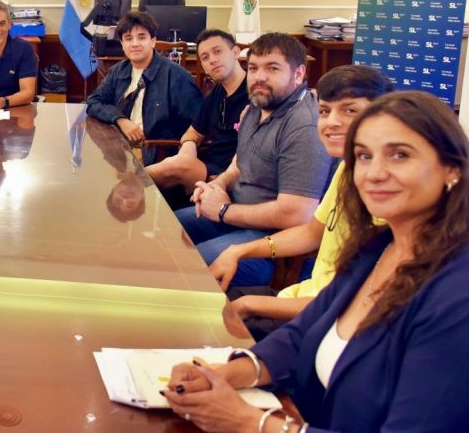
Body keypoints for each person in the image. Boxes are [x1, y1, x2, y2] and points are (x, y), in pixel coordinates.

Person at [164, 91, 469, 432]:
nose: (374, 173)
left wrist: (250, 422)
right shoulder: (376, 247)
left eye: (400, 155)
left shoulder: (457, 295)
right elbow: (301, 335)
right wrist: (224, 374)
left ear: (452, 169)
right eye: (363, 156)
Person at [209, 65, 393, 339]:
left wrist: (250, 304)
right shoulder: (347, 167)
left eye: (350, 110)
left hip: (325, 324)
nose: (332, 122)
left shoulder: (387, 196)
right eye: (325, 111)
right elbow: (311, 233)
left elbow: (355, 305)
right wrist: (238, 251)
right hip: (302, 299)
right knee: (205, 300)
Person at [175, 32, 332, 286]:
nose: (259, 77)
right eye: (253, 68)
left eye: (272, 68)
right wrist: (218, 185)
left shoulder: (304, 126)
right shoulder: (256, 106)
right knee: (166, 228)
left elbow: (296, 215)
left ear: (298, 74)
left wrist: (224, 211)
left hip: (272, 241)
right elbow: (241, 163)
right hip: (237, 213)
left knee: (188, 265)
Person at [85, 11, 202, 165]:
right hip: (119, 149)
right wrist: (120, 120)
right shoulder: (119, 71)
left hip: (158, 156)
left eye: (141, 37)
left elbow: (197, 125)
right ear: (122, 45)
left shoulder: (177, 76)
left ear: (152, 41)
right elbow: (93, 101)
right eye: (128, 38)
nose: (135, 44)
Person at [146, 28, 248, 192]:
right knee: (153, 194)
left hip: (232, 177)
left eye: (218, 51)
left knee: (173, 168)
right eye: (205, 57)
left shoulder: (256, 93)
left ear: (236, 52)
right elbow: (192, 133)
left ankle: (125, 180)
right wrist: (188, 149)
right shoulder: (217, 92)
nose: (212, 60)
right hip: (206, 168)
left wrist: (184, 163)